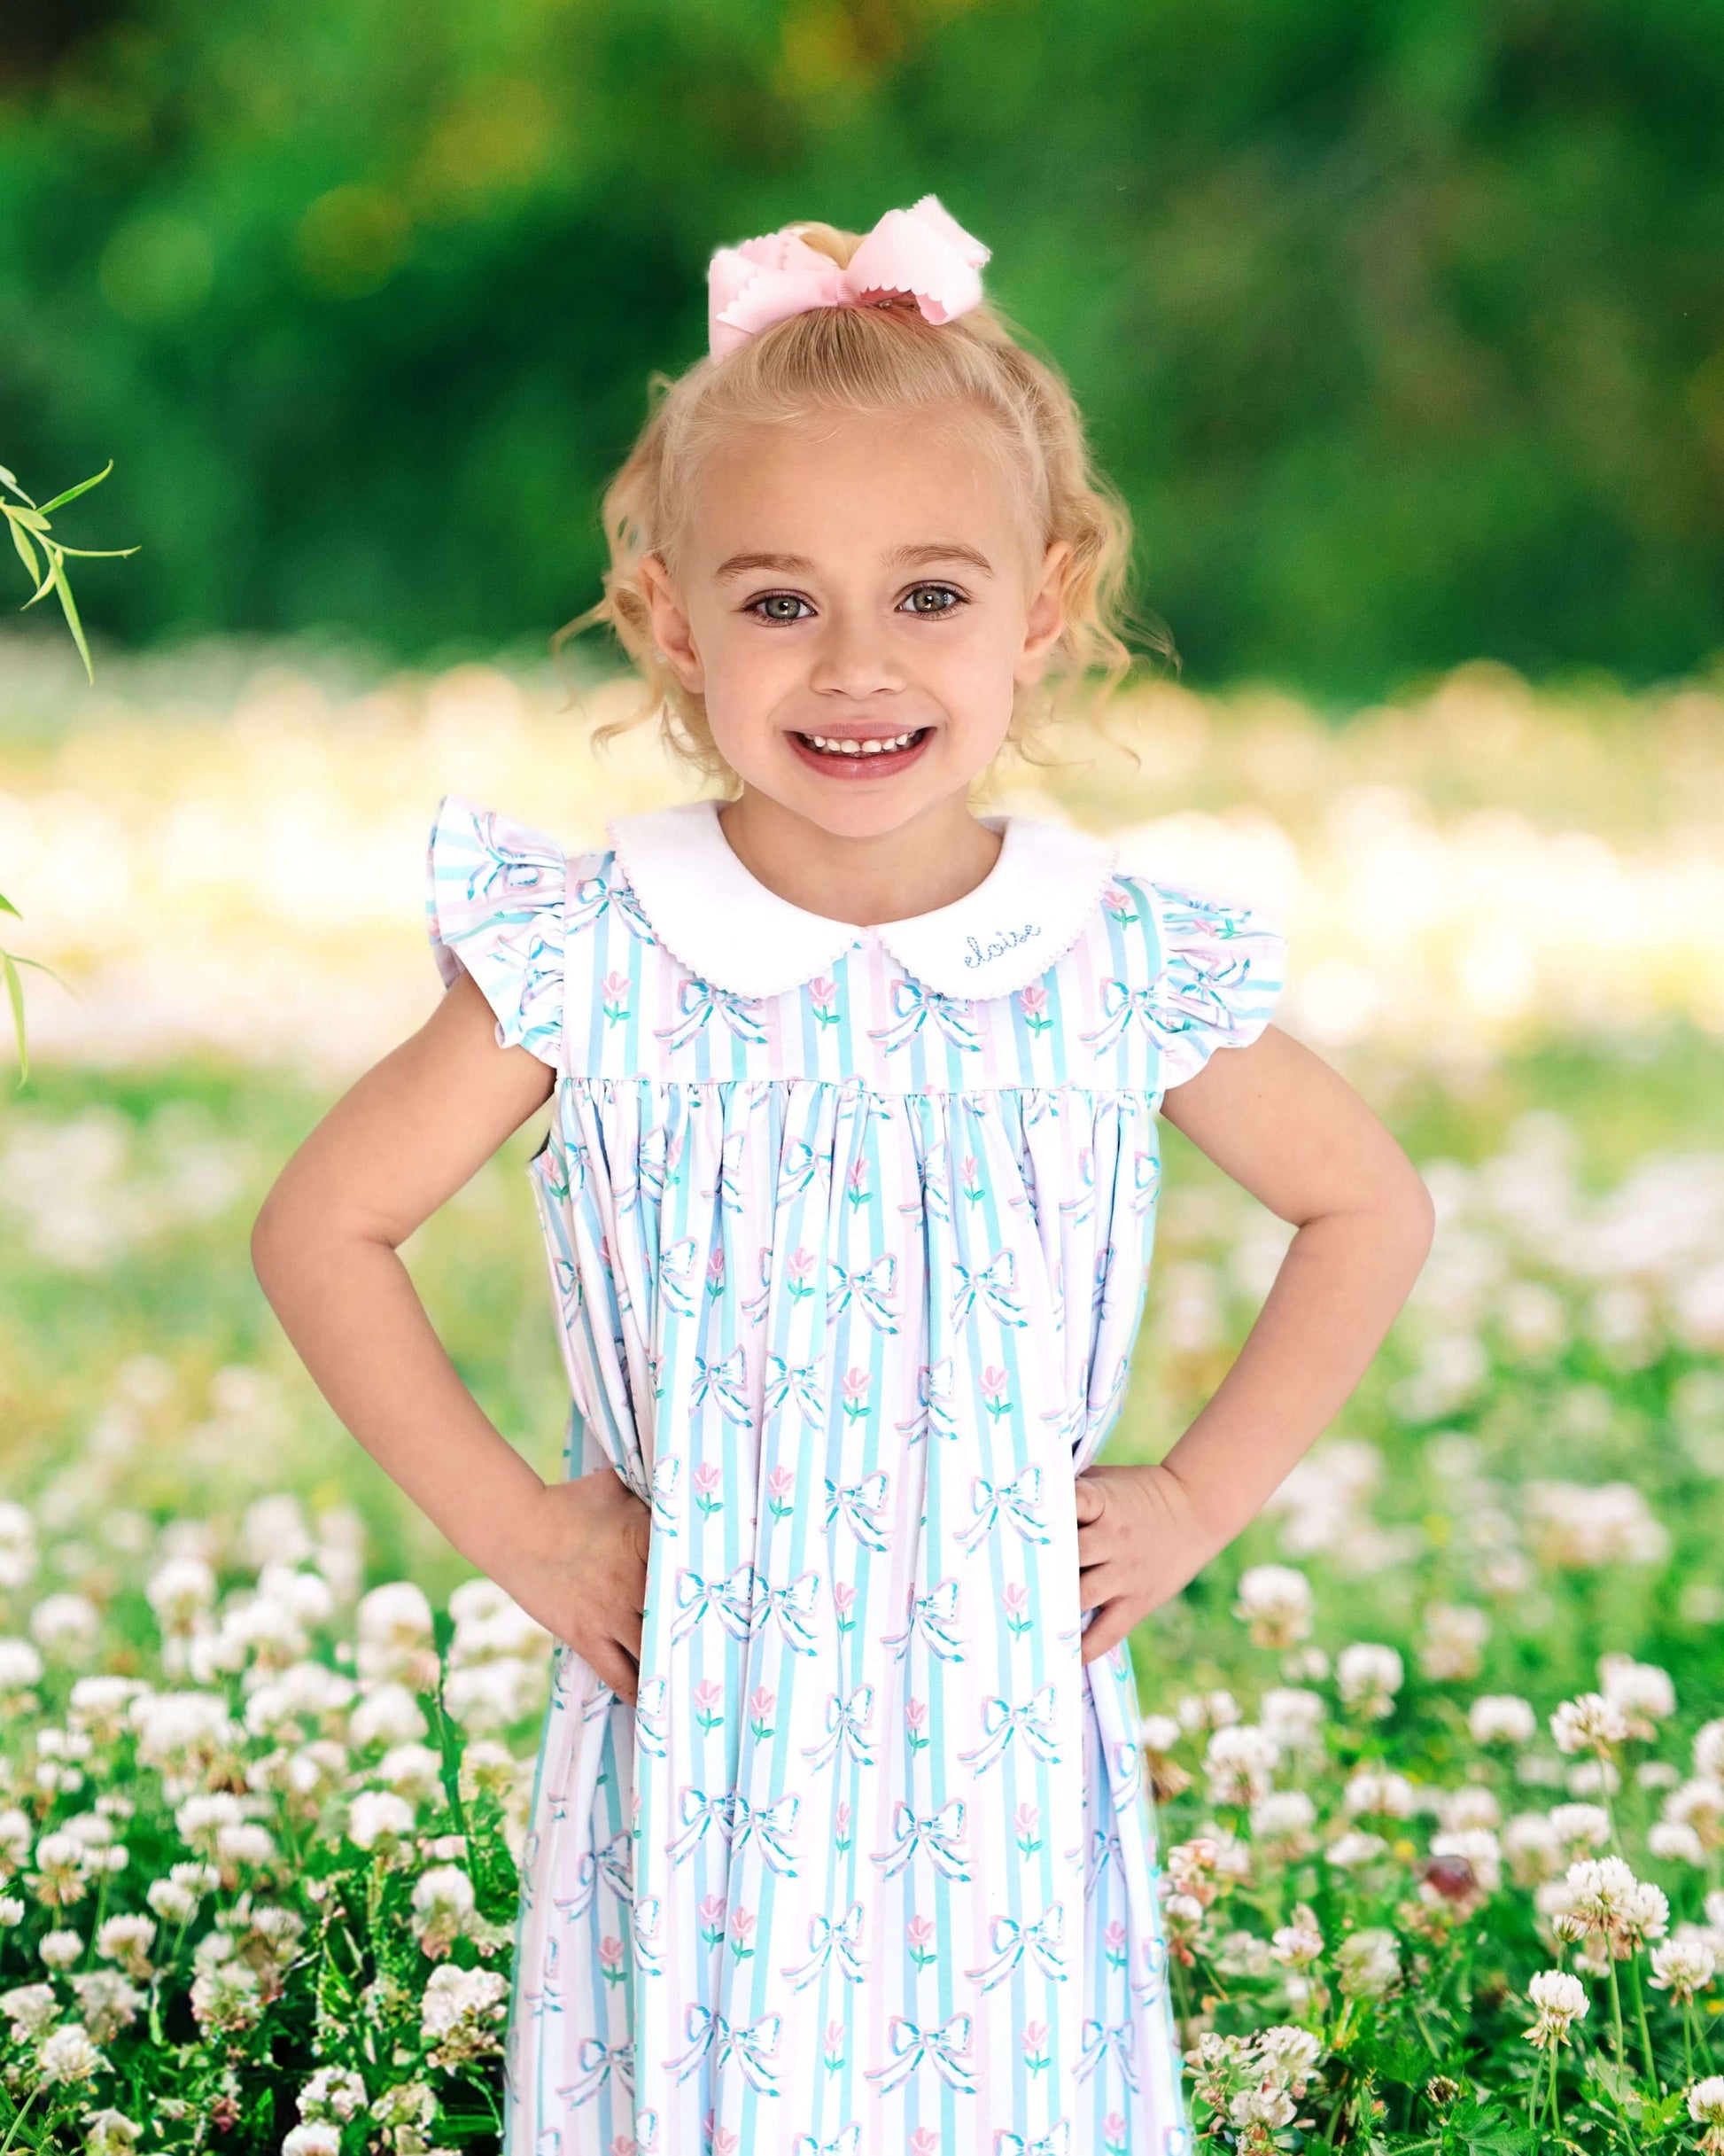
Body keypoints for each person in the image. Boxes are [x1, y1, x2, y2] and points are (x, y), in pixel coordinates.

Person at [252, 192, 1435, 2156]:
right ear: (669, 620)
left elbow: (1366, 1202)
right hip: (706, 1718)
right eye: (781, 599)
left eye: (933, 596)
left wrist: (1196, 1494)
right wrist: (531, 1537)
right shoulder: (601, 945)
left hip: (997, 1726)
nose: (854, 665)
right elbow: (325, 1224)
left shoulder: (1101, 950)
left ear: (1041, 609)